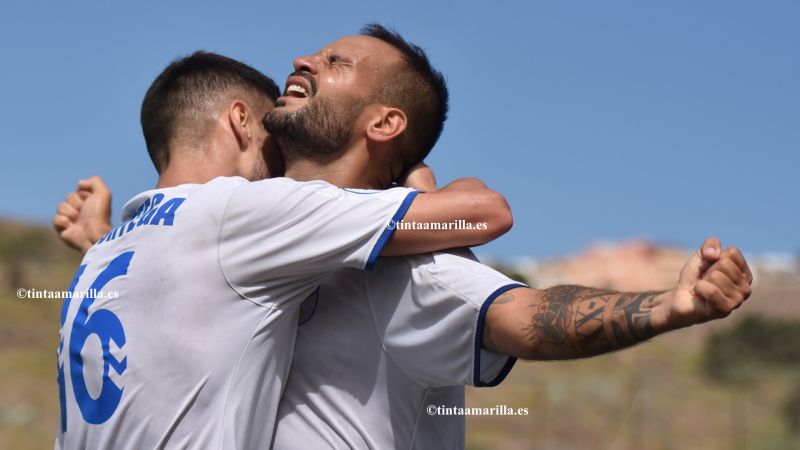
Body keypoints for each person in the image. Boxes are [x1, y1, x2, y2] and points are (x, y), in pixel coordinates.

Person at [55, 25, 753, 449]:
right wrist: (108, 245)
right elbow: (177, 288)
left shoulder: (403, 269)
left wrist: (669, 306)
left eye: (334, 64)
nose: (302, 61)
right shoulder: (248, 235)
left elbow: (528, 316)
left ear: (384, 124)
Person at [51, 50, 512, 450]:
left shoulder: (106, 256)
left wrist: (97, 231)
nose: (283, 172)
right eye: (275, 147)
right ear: (240, 121)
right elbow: (484, 214)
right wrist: (416, 179)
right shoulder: (243, 210)